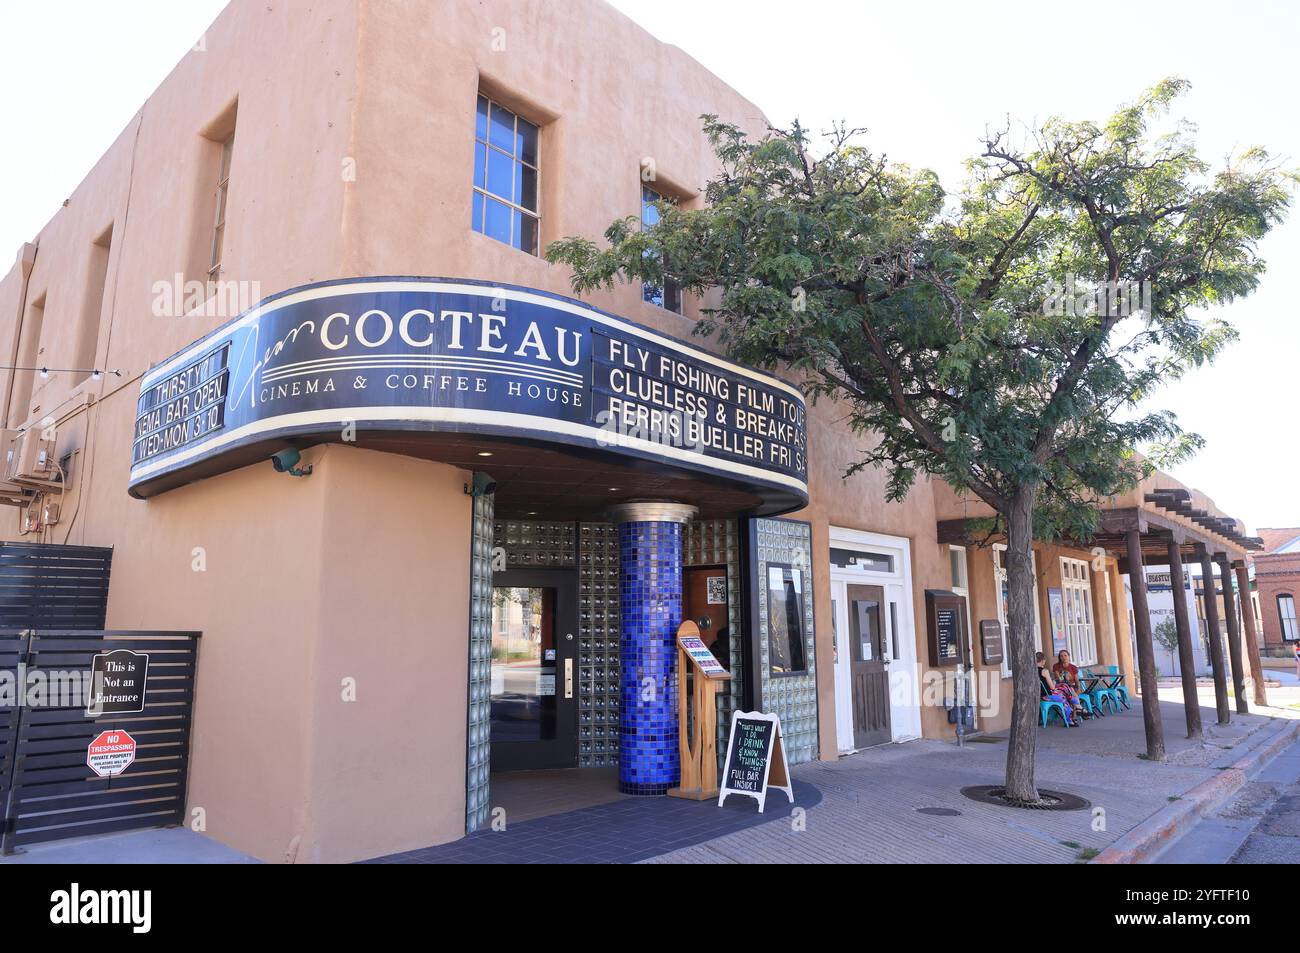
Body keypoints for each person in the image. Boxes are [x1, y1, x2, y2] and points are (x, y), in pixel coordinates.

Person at [1037, 651, 1082, 726]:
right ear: (1043, 661)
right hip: (1047, 696)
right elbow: (1052, 687)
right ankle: (1070, 718)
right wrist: (1053, 682)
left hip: (1039, 695)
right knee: (1065, 697)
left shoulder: (1031, 671)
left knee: (1064, 687)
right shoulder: (1044, 671)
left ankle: (1076, 709)